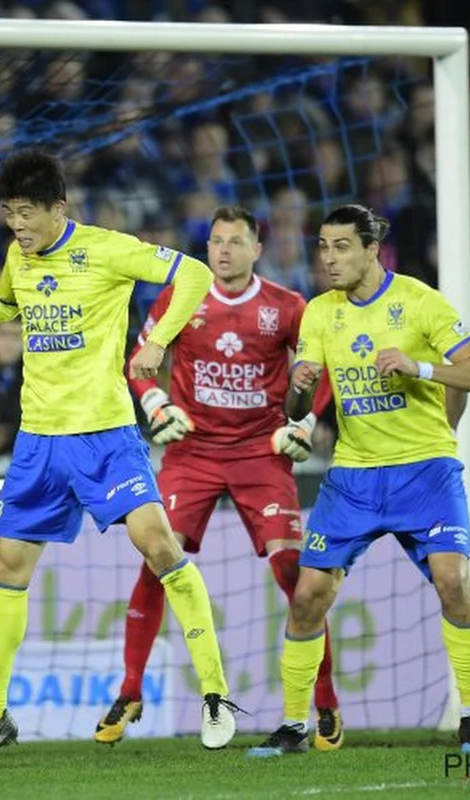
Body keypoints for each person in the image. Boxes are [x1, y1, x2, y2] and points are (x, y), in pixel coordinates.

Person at [0, 149, 236, 771]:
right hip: (39, 440)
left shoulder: (106, 248)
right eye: (10, 213)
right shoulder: (20, 256)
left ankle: (215, 695)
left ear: (58, 209)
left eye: (27, 213)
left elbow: (196, 276)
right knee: (8, 563)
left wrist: (154, 342)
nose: (17, 225)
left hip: (105, 435)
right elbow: (3, 304)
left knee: (157, 543)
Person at [248, 204, 470, 757]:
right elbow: (296, 406)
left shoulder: (420, 303)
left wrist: (422, 368)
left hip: (425, 469)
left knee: (454, 583)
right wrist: (299, 385)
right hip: (355, 475)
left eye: (341, 246)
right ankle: (295, 724)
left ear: (371, 249)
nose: (329, 258)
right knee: (307, 596)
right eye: (322, 246)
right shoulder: (320, 313)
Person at [96, 205, 344, 749]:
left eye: (235, 241)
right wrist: (156, 402)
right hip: (194, 451)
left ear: (258, 249)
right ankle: (130, 689)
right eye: (215, 241)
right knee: (158, 561)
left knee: (293, 575)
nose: (224, 250)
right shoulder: (183, 296)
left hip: (261, 452)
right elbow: (140, 359)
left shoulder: (286, 307)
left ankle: (324, 702)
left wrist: (306, 421)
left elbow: (321, 366)